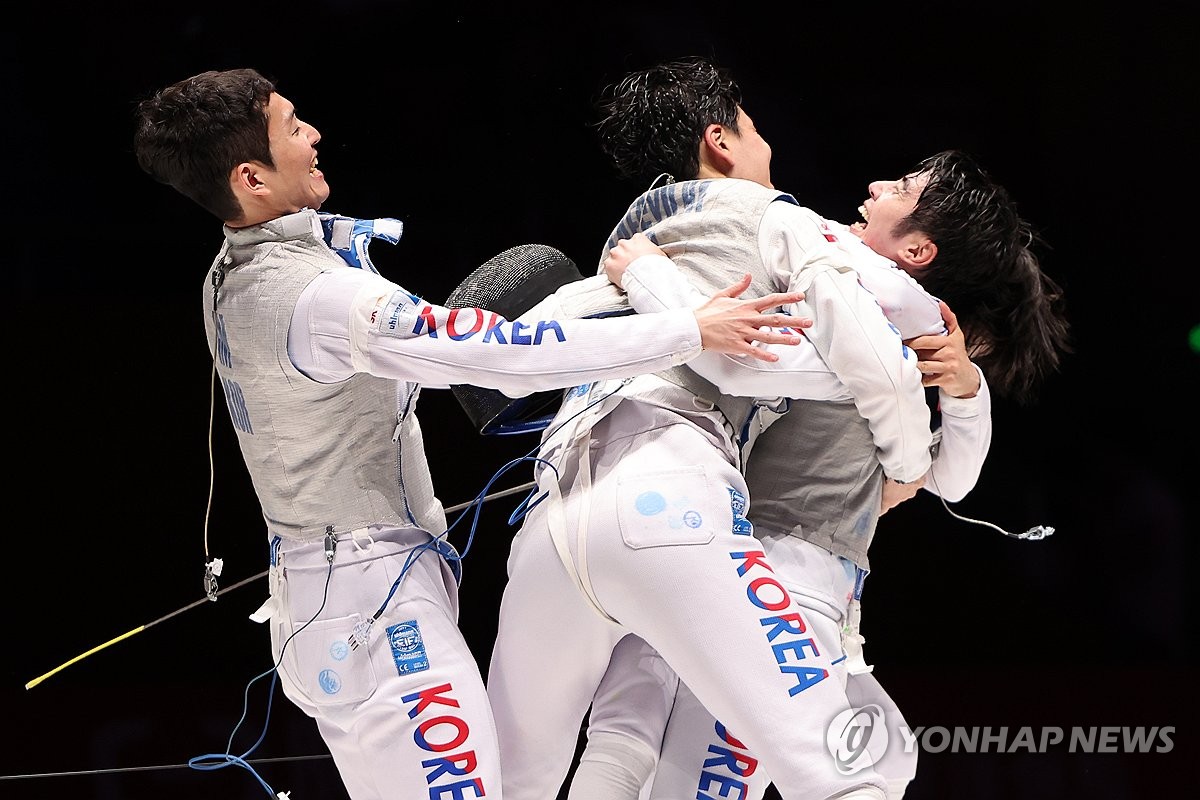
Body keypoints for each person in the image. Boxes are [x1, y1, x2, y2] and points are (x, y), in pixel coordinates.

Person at [130, 66, 811, 800]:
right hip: (373, 611)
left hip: (332, 600)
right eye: (291, 127)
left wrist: (611, 300)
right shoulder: (318, 296)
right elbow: (502, 360)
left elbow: (478, 345)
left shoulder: (231, 272)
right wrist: (685, 328)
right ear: (250, 178)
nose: (313, 134)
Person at [485, 58, 943, 800]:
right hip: (668, 498)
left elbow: (504, 366)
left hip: (546, 529)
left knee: (513, 783)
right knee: (835, 759)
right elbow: (877, 367)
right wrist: (908, 464)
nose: (766, 145)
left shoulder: (626, 239)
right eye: (754, 128)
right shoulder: (777, 217)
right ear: (720, 140)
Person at [577, 149, 1071, 799]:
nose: (873, 184)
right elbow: (744, 358)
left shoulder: (867, 315)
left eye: (898, 186)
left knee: (880, 759)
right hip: (751, 564)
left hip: (784, 580)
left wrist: (964, 386)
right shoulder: (836, 295)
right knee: (640, 734)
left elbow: (951, 481)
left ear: (919, 250)